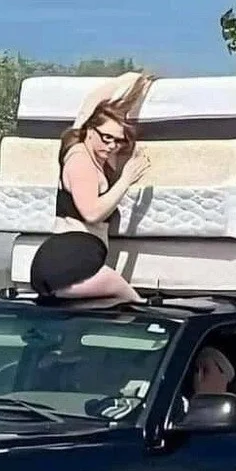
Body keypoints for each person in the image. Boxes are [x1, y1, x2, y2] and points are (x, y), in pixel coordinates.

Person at [30, 72, 155, 303]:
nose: (112, 145)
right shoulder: (81, 160)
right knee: (132, 301)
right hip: (71, 260)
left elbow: (91, 103)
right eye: (106, 138)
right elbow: (91, 213)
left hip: (61, 260)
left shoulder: (86, 148)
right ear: (89, 130)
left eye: (118, 140)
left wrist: (132, 83)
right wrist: (126, 179)